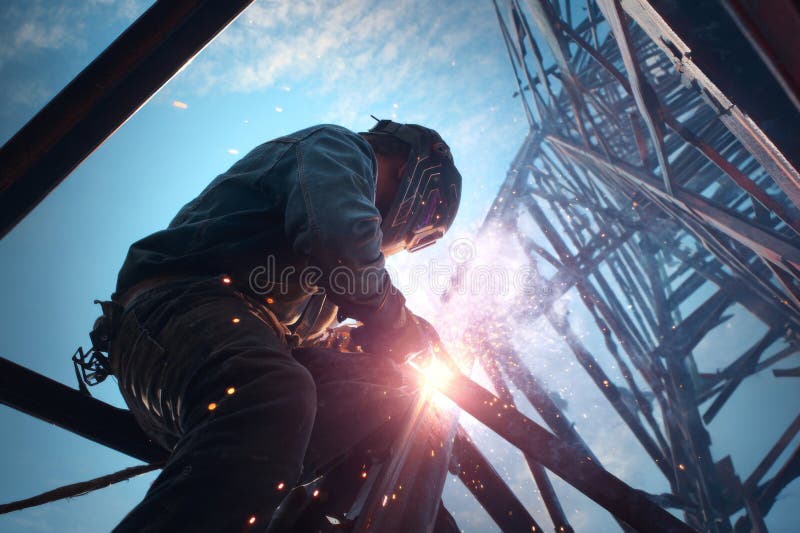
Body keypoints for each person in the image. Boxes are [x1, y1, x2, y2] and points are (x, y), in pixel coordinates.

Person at [107, 119, 462, 531]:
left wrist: (357, 344)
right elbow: (340, 241)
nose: (411, 232)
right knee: (276, 391)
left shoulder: (319, 286)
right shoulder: (337, 149)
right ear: (410, 170)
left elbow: (313, 327)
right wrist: (398, 322)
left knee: (393, 407)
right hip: (173, 316)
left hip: (235, 383)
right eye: (428, 216)